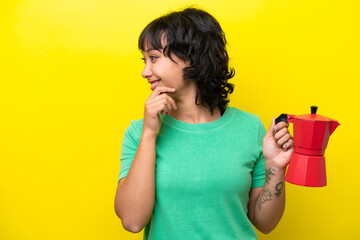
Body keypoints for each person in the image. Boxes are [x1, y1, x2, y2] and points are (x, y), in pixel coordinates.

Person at [114, 7, 293, 240]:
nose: (145, 71)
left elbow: (265, 223)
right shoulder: (138, 133)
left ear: (191, 58)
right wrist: (149, 133)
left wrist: (276, 168)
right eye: (144, 60)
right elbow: (132, 221)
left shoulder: (251, 127)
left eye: (154, 58)